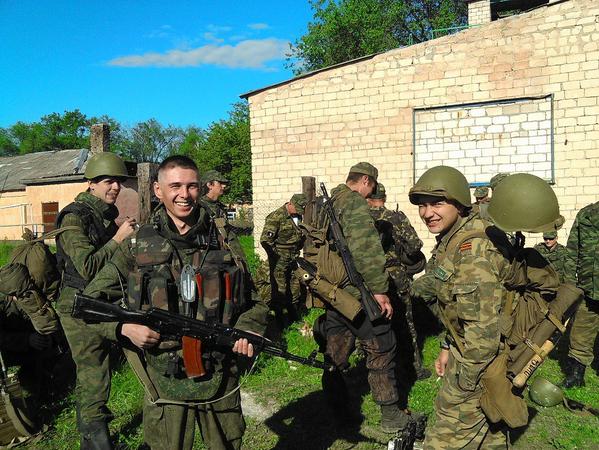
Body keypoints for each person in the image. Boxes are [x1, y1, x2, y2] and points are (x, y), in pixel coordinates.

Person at [83, 155, 268, 450]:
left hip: (220, 371)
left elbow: (255, 298)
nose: (184, 195)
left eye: (192, 186)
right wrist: (123, 328)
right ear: (158, 190)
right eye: (175, 186)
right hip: (163, 377)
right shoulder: (137, 242)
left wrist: (248, 329)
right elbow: (90, 302)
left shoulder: (222, 238)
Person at [409, 166, 510, 449]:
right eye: (423, 205)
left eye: (437, 203)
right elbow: (458, 309)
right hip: (472, 355)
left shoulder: (472, 252)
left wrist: (461, 389)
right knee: (490, 436)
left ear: (459, 204)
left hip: (479, 364)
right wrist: (446, 346)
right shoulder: (454, 238)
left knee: (443, 440)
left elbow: (482, 337)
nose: (427, 213)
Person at [317, 162, 413, 434]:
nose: (370, 194)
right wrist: (380, 290)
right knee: (382, 347)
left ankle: (339, 413)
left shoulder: (327, 201)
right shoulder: (354, 203)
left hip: (332, 292)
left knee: (335, 354)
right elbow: (366, 249)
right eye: (371, 187)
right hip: (357, 294)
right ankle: (392, 417)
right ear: (366, 181)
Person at [54, 152, 138, 449]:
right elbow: (87, 267)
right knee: (94, 373)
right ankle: (98, 444)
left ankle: (91, 440)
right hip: (77, 306)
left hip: (95, 303)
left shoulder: (102, 216)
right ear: (91, 183)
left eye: (118, 182)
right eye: (107, 181)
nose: (114, 187)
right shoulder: (74, 216)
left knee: (94, 372)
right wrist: (119, 239)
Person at [367, 183, 429, 380]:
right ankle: (414, 368)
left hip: (368, 278)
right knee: (405, 322)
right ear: (384, 197)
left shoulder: (360, 219)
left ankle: (372, 368)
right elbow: (415, 245)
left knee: (371, 322)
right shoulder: (395, 217)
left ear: (368, 197)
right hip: (396, 276)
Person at [562, 201, 599, 388]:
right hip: (589, 288)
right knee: (580, 334)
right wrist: (570, 283)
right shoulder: (586, 215)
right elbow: (572, 251)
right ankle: (576, 376)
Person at [260, 194, 308, 324]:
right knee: (280, 290)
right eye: (297, 208)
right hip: (279, 259)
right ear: (290, 204)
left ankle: (293, 317)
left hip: (292, 258)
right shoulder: (276, 216)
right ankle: (280, 321)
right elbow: (265, 240)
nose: (299, 211)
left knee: (295, 288)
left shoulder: (297, 216)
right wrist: (275, 257)